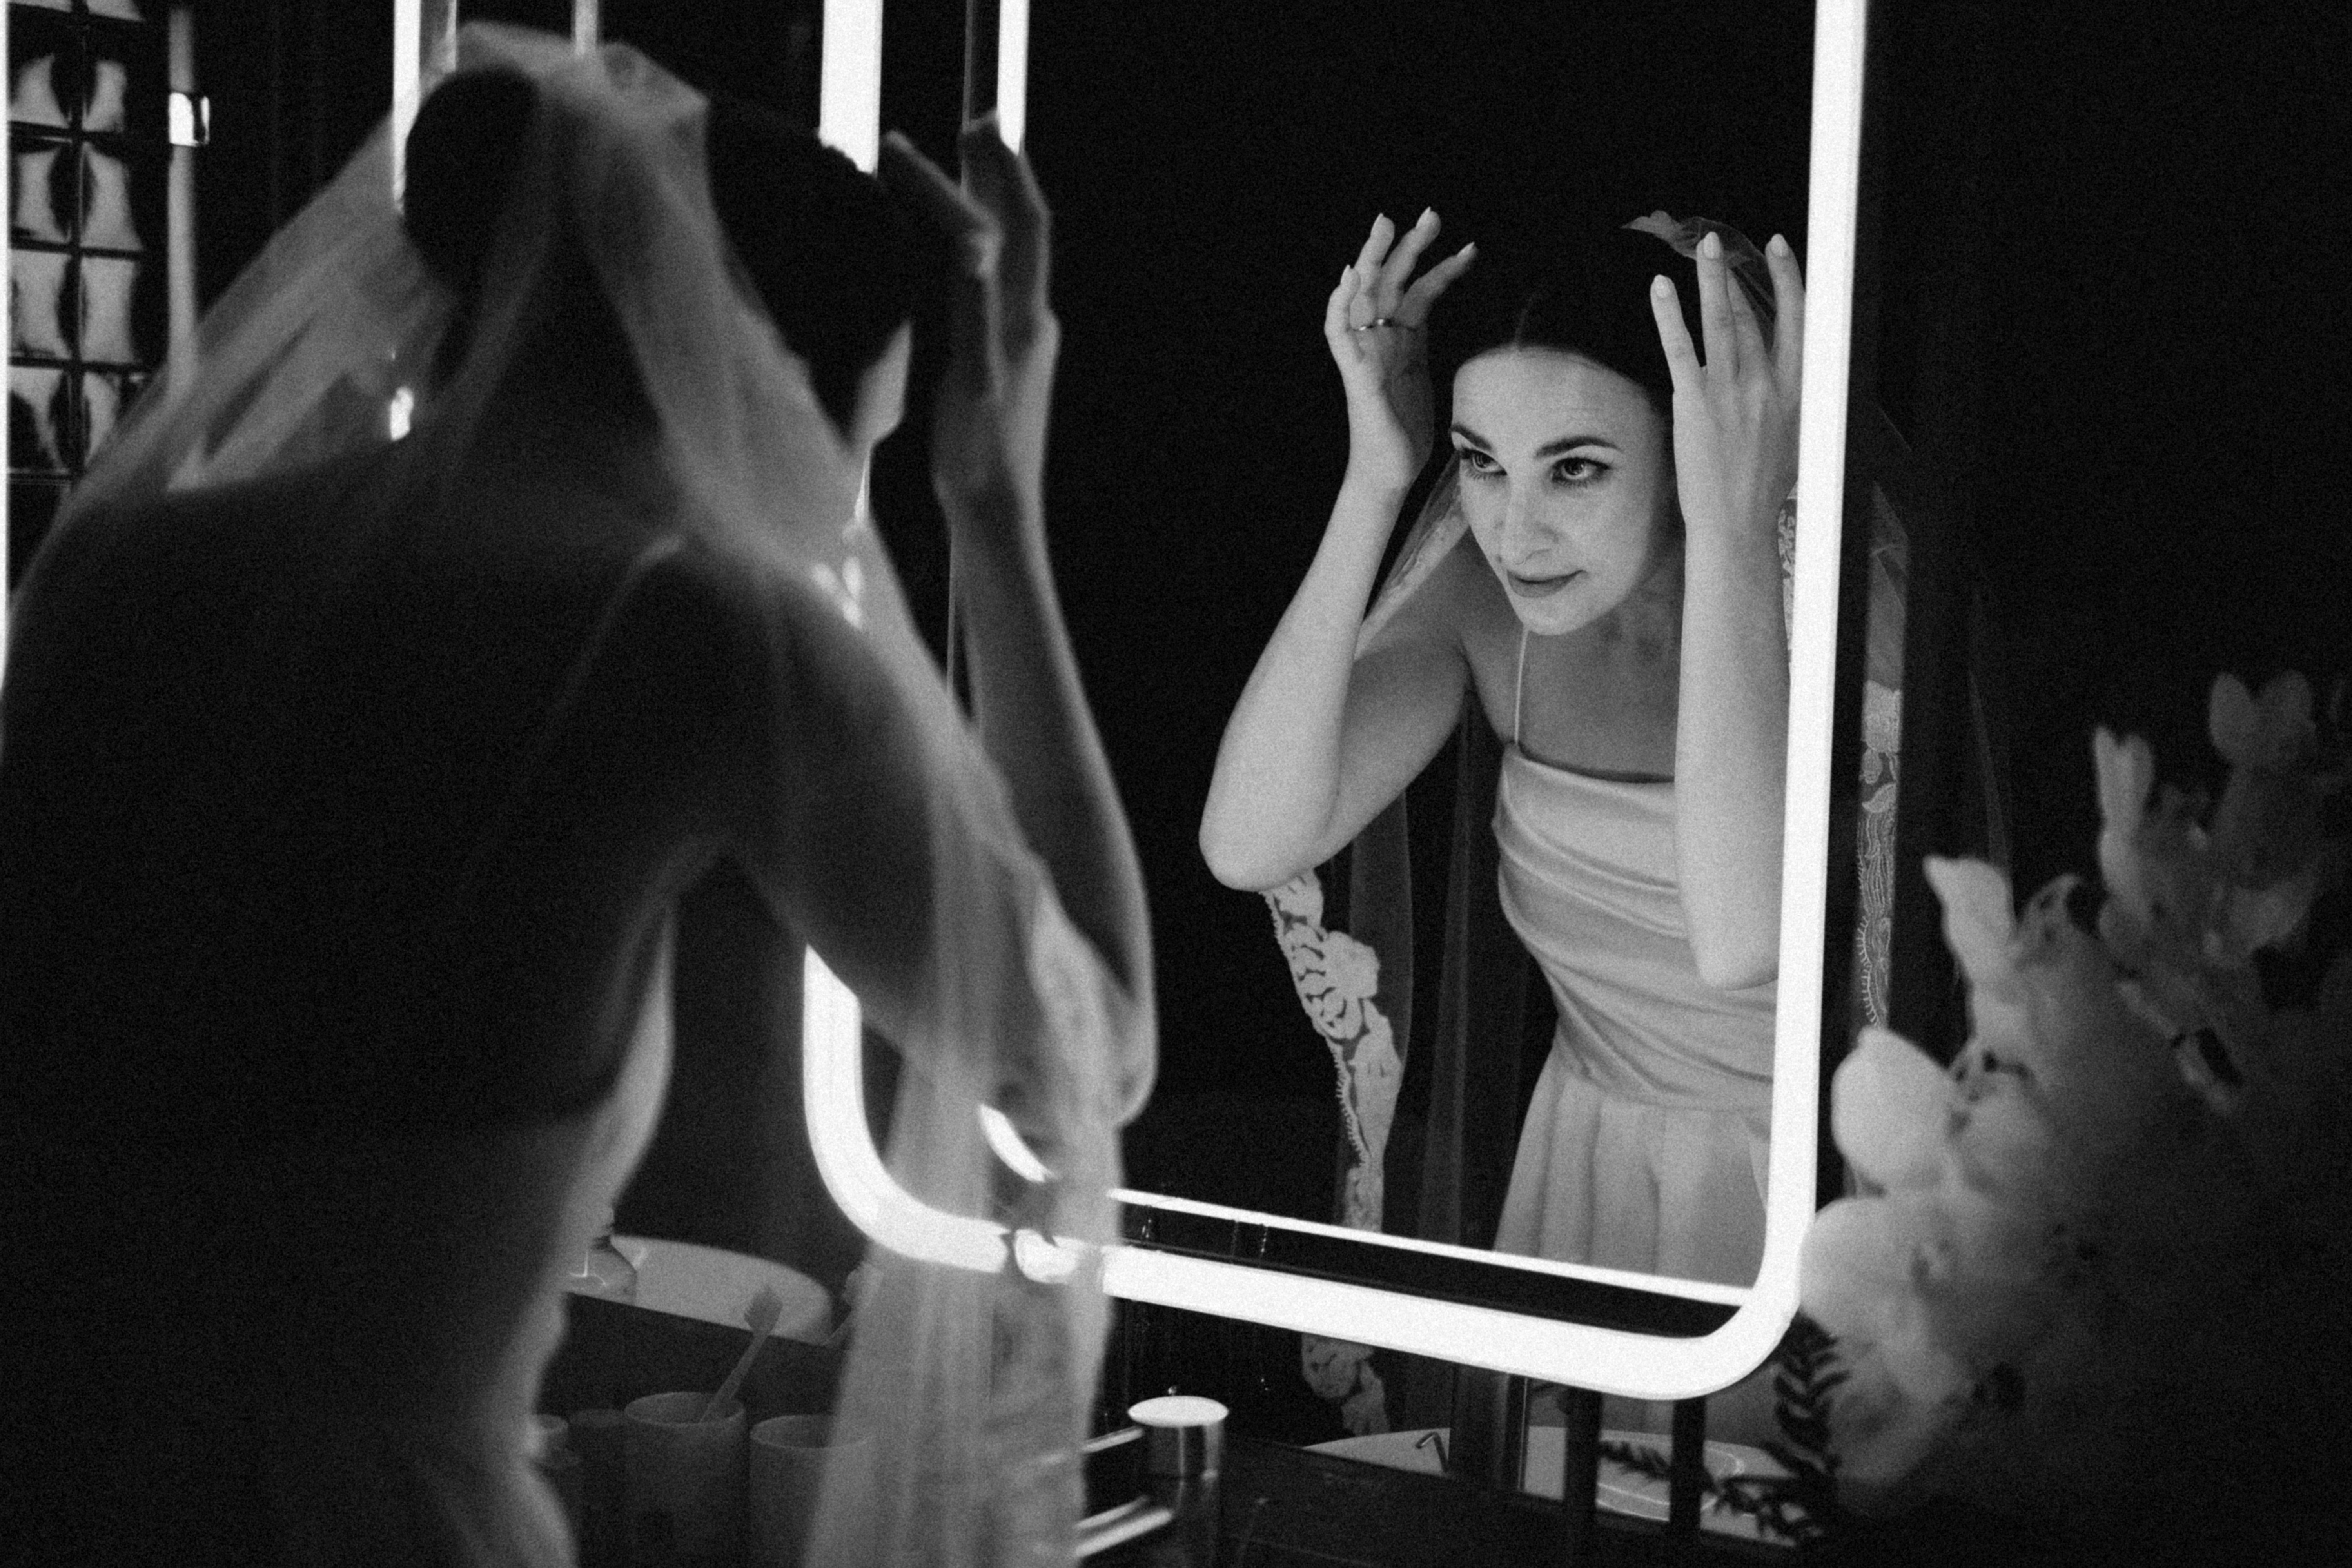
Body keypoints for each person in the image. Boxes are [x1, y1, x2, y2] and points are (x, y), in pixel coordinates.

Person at [2, 25, 1150, 1568]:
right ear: (751, 389)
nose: (835, 511)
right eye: (854, 450)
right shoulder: (683, 631)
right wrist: (995, 505)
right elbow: (1087, 1040)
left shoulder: (127, 568)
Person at [1200, 207, 1802, 1295]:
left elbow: (1739, 941)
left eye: (1574, 471)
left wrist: (1732, 534)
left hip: (1809, 1202)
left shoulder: (1838, 621)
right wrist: (1376, 480)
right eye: (1483, 464)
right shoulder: (1486, 603)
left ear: (1696, 446)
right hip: (1588, 1172)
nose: (1513, 532)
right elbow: (1248, 843)